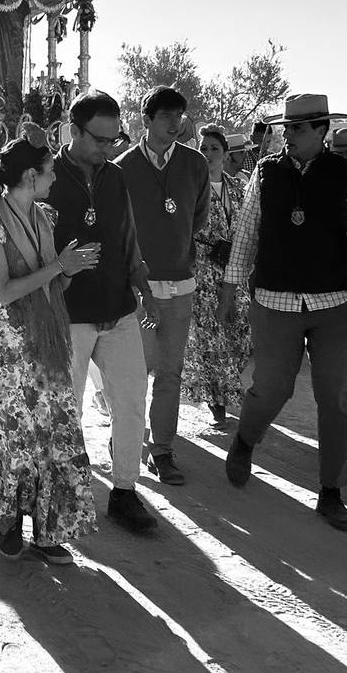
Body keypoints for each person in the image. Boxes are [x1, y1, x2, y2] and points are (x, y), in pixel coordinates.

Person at [219, 94, 347, 531]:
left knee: (336, 397)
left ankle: (331, 491)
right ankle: (245, 440)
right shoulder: (265, 171)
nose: (286, 135)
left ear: (321, 130)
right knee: (272, 389)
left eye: (296, 128)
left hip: (334, 303)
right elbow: (247, 233)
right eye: (284, 128)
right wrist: (229, 287)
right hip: (274, 300)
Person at [0, 137, 99, 564]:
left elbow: (49, 281)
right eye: (50, 170)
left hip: (46, 337)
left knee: (52, 429)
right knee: (8, 431)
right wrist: (59, 266)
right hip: (6, 343)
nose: (55, 177)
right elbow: (2, 291)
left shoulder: (44, 216)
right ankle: (7, 522)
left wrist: (68, 270)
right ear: (29, 175)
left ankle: (48, 529)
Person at [49, 90, 159, 533]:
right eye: (99, 139)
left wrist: (141, 284)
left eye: (115, 139)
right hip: (67, 313)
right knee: (66, 408)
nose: (108, 149)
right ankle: (63, 492)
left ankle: (125, 492)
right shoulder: (45, 177)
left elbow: (127, 235)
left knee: (131, 401)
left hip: (118, 309)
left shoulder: (114, 177)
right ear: (72, 131)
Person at [115, 87, 209, 485]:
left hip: (180, 287)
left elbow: (197, 220)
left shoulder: (195, 164)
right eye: (167, 116)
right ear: (147, 119)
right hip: (139, 290)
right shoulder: (121, 168)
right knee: (136, 373)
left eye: (180, 116)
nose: (175, 123)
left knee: (171, 372)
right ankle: (126, 444)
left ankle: (162, 449)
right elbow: (117, 230)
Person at [184, 126, 250, 426]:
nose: (208, 154)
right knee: (210, 335)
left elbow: (251, 228)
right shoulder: (191, 188)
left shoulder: (237, 189)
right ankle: (216, 399)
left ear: (226, 154)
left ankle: (229, 384)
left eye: (214, 148)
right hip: (204, 270)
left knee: (238, 331)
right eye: (204, 148)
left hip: (235, 270)